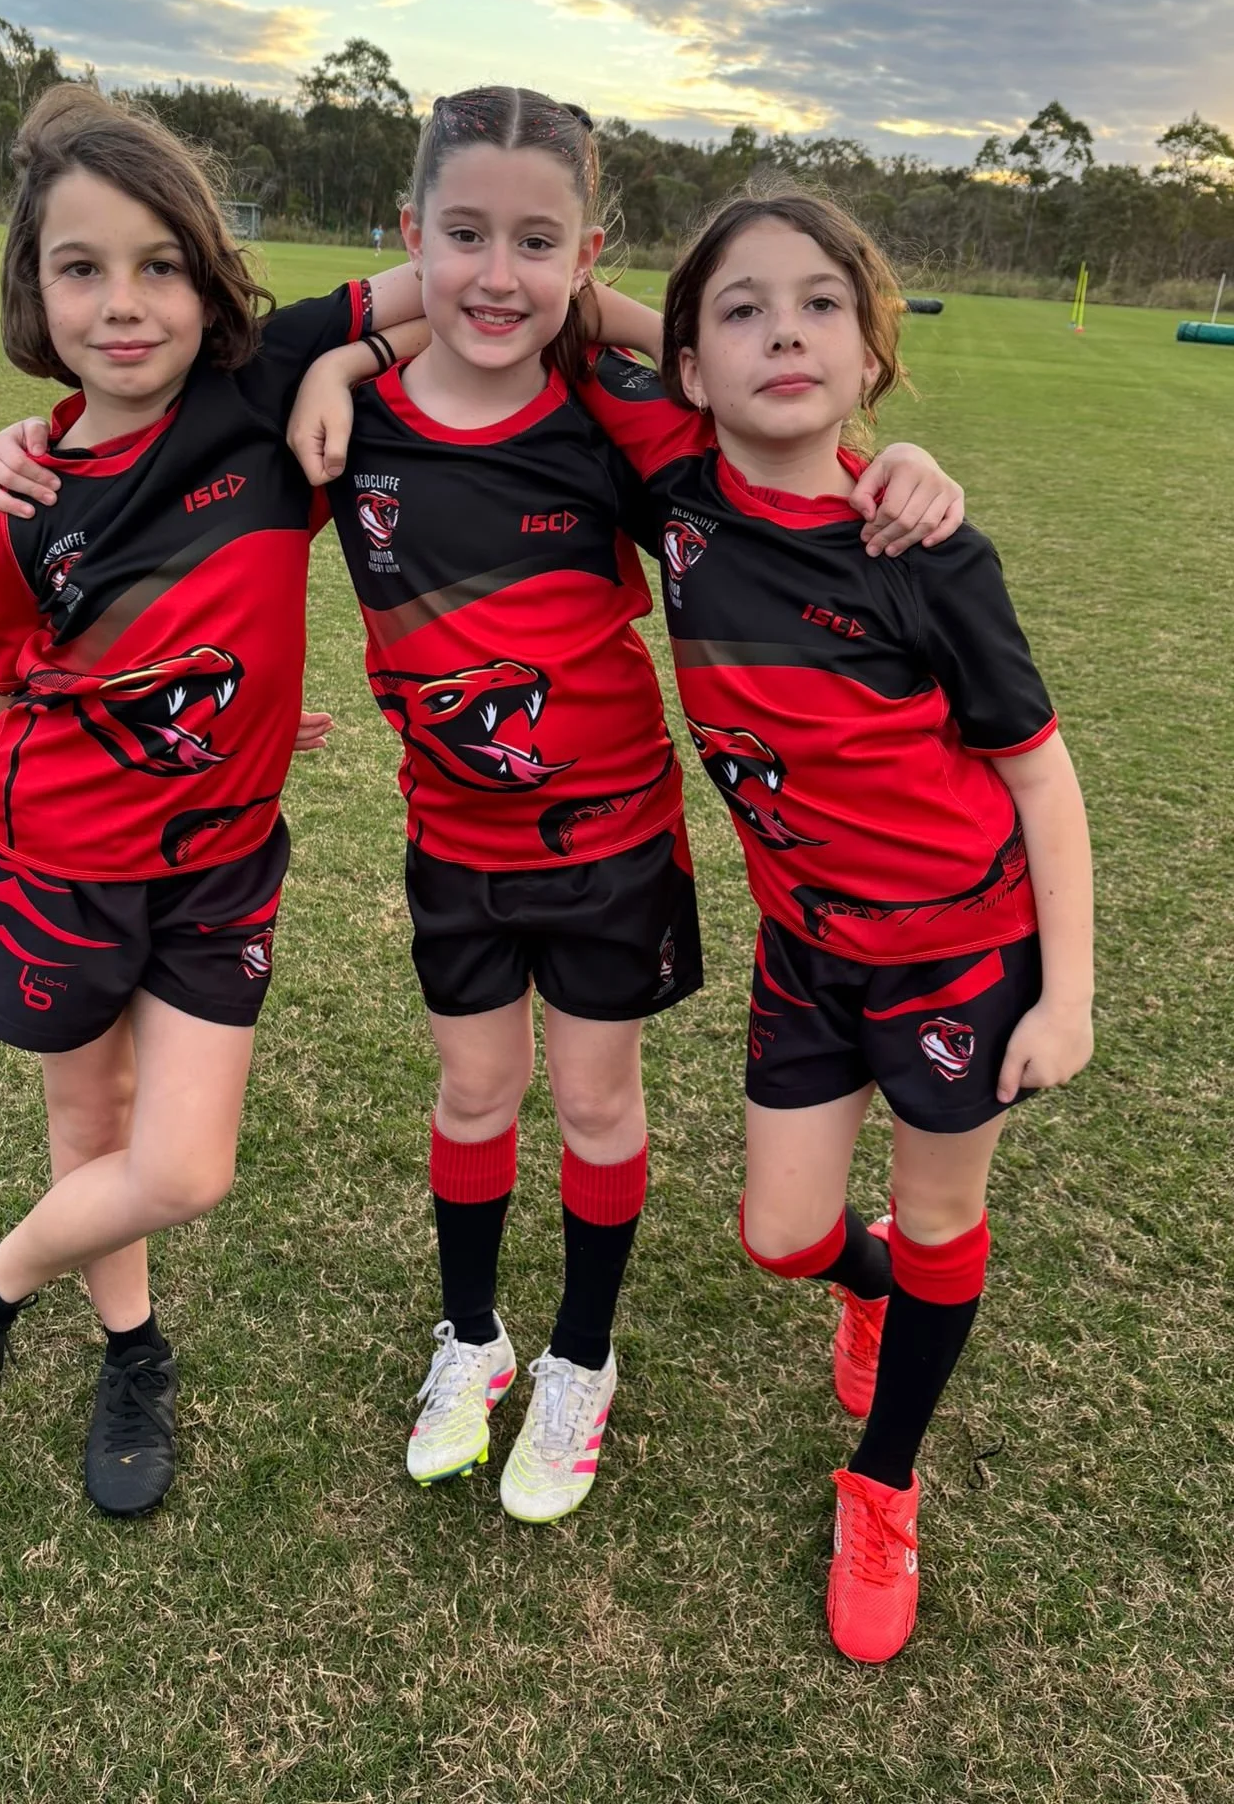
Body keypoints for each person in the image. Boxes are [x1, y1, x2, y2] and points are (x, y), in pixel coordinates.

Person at [284, 92, 966, 1526]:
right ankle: (469, 1340)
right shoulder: (345, 424)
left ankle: (580, 1360)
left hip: (610, 850)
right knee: (474, 1091)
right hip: (451, 846)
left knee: (594, 1102)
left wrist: (889, 462)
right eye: (463, 236)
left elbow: (770, 434)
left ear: (589, 257)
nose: (495, 275)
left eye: (539, 244)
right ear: (411, 237)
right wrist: (349, 351)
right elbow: (194, 423)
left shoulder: (620, 419)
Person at [576, 191, 1094, 1661]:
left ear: (872, 354)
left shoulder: (925, 548)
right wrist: (346, 363)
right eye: (740, 311)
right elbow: (550, 310)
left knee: (939, 1218)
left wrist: (1068, 1000)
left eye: (820, 306)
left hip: (964, 958)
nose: (782, 332)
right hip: (807, 952)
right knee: (783, 1234)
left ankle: (884, 1480)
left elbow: (1040, 776)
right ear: (688, 369)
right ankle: (862, 1287)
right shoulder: (673, 493)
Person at [0, 84, 424, 1517]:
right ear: (35, 289)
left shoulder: (260, 391)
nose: (123, 305)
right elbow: (8, 675)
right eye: (82, 268)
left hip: (219, 865)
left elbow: (470, 273)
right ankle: (131, 1351)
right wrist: (177, 703)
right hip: (61, 858)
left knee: (181, 1164)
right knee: (95, 1130)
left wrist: (351, 360)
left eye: (159, 265)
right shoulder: (16, 494)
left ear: (208, 274)